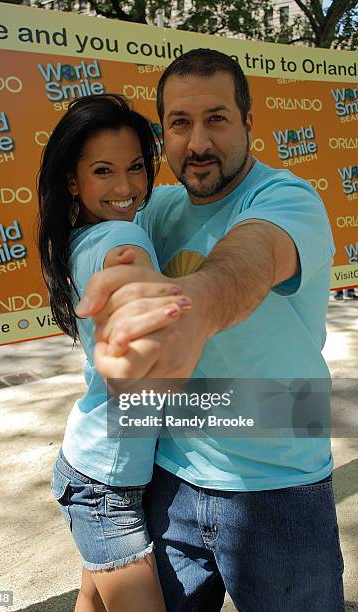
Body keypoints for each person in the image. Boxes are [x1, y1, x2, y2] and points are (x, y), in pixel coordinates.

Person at [76, 50, 345, 611]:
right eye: (179, 123)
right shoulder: (156, 208)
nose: (197, 143)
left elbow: (249, 259)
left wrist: (193, 306)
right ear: (163, 135)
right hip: (169, 479)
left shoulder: (287, 199)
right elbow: (116, 257)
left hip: (281, 487)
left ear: (249, 122)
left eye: (216, 119)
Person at [37, 94, 191, 612]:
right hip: (105, 488)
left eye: (134, 168)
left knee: (93, 603)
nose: (126, 188)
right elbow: (125, 267)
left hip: (97, 468)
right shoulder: (120, 236)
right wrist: (141, 295)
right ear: (73, 182)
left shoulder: (79, 237)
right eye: (104, 171)